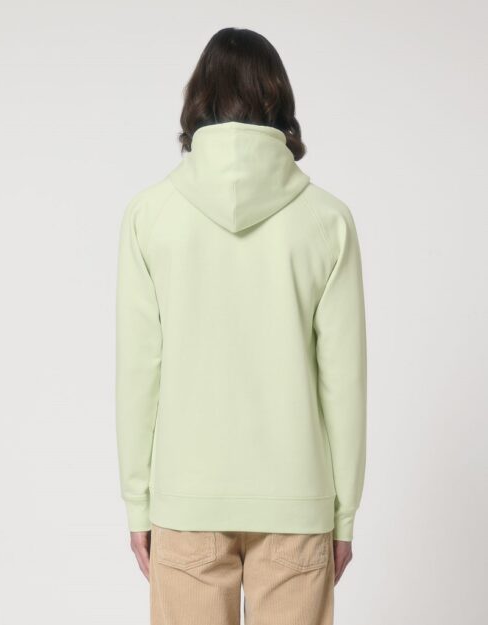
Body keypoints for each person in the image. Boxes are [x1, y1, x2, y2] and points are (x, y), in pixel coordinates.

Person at [115, 26, 367, 625]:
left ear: (197, 100)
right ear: (279, 101)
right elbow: (344, 383)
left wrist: (139, 505)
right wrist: (343, 516)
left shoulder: (150, 216)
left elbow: (138, 375)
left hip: (186, 501)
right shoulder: (328, 221)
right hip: (297, 502)